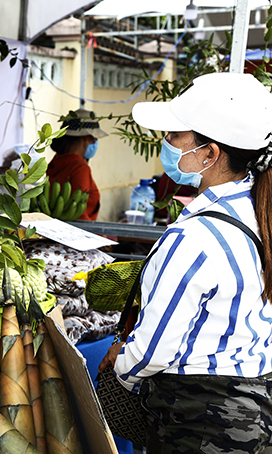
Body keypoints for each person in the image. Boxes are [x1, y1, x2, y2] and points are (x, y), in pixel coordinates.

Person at [98, 72, 272, 452]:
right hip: (257, 410)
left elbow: (154, 348)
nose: (167, 144)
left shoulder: (195, 237)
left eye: (175, 136)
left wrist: (121, 369)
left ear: (209, 154)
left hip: (200, 421)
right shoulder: (259, 212)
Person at [46, 108, 107, 221]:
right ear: (86, 138)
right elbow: (79, 212)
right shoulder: (80, 168)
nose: (95, 142)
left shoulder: (56, 161)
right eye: (94, 138)